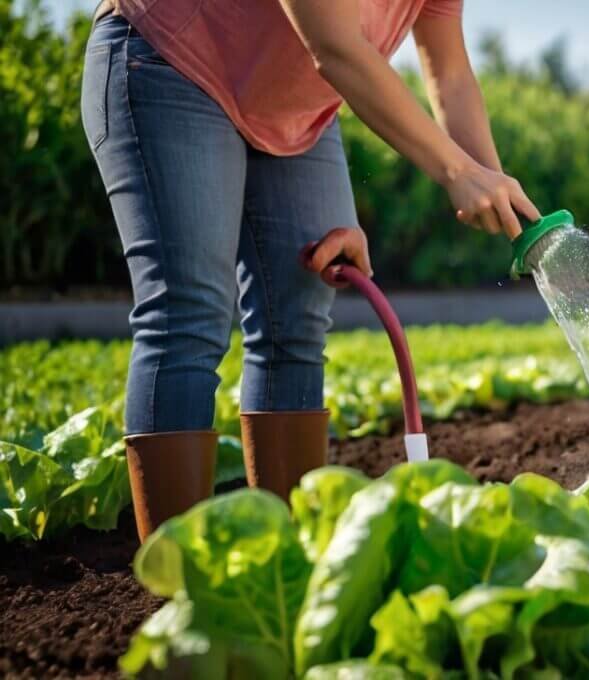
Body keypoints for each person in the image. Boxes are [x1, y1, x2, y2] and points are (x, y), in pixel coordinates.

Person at [82, 0, 541, 540]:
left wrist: (496, 185)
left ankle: (285, 558)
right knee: (190, 312)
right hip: (168, 59)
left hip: (293, 110)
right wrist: (456, 171)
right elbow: (335, 46)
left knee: (298, 312)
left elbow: (451, 73)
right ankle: (177, 578)